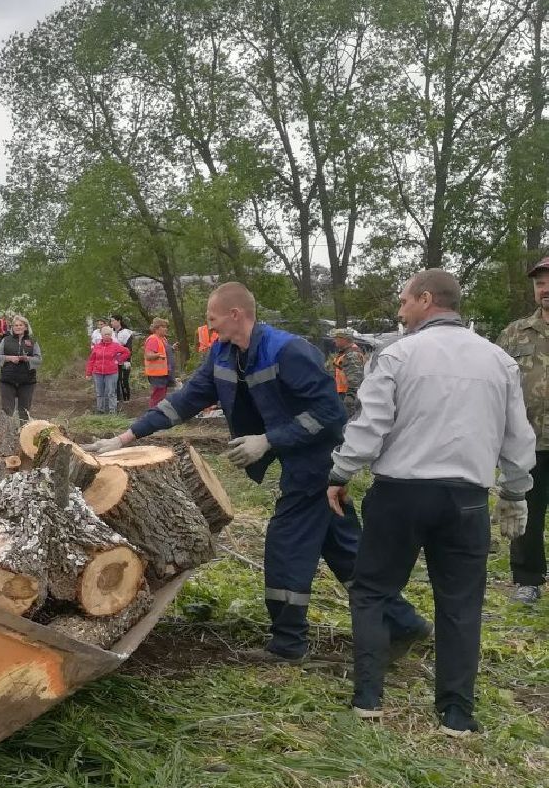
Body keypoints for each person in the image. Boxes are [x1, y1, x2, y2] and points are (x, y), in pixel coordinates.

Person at [85, 282, 429, 663]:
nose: (209, 324)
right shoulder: (223, 353)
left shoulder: (288, 351)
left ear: (236, 314)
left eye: (212, 317)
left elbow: (331, 415)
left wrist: (268, 440)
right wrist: (124, 437)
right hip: (298, 462)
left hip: (318, 466)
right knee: (345, 550)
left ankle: (287, 644)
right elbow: (184, 401)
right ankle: (402, 622)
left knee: (286, 544)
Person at [328, 269, 535, 735]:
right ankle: (456, 713)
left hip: (400, 493)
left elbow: (371, 423)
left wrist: (341, 471)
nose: (399, 310)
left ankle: (368, 698)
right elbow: (517, 434)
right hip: (466, 499)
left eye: (403, 300)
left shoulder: (399, 354)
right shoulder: (498, 359)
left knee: (371, 589)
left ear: (426, 299)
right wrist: (515, 488)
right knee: (460, 602)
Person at [495, 255, 549, 607]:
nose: (545, 289)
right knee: (526, 509)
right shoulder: (513, 333)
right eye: (540, 283)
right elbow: (495, 383)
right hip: (529, 442)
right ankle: (527, 580)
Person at [0, 314, 41, 420]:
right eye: (15, 325)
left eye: (20, 325)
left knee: (24, 412)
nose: (18, 327)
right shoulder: (5, 341)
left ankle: (22, 434)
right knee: (7, 411)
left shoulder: (33, 342)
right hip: (8, 381)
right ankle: (7, 434)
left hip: (27, 381)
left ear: (25, 327)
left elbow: (38, 360)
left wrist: (27, 359)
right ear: (12, 327)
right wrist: (9, 358)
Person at [85, 324, 129, 413]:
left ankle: (112, 410)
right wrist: (88, 373)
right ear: (101, 335)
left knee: (111, 392)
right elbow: (91, 360)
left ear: (111, 335)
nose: (107, 336)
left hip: (111, 372)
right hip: (98, 373)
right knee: (99, 393)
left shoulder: (115, 346)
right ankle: (100, 410)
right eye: (105, 334)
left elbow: (126, 352)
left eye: (109, 334)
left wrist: (118, 360)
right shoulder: (97, 347)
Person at [327, 328, 366, 419]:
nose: (334, 340)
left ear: (343, 339)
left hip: (348, 396)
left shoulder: (352, 354)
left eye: (336, 338)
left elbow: (355, 379)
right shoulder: (345, 353)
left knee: (349, 423)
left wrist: (350, 397)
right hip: (343, 393)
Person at [143, 318, 172, 405]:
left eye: (166, 327)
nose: (165, 329)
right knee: (157, 397)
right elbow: (148, 356)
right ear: (156, 328)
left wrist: (172, 348)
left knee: (161, 396)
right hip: (156, 373)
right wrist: (158, 355)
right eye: (163, 327)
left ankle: (158, 415)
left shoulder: (163, 339)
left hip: (163, 372)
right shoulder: (153, 339)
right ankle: (154, 415)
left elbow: (165, 352)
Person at [110, 314, 135, 402]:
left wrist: (124, 357)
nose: (111, 323)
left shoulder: (127, 332)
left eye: (113, 320)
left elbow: (129, 348)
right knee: (116, 379)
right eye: (111, 321)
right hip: (113, 360)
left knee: (124, 380)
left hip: (125, 360)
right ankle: (117, 398)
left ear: (119, 321)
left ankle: (126, 398)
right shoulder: (110, 333)